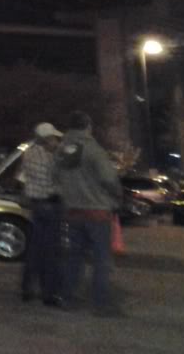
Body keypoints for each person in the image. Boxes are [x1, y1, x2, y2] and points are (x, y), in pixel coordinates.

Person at [53, 110, 123, 316]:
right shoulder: (93, 150)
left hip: (73, 211)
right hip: (97, 211)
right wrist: (117, 196)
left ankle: (68, 297)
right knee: (101, 259)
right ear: (87, 126)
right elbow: (109, 179)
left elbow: (54, 176)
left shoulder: (61, 151)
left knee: (74, 256)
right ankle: (101, 303)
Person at [19, 121, 63, 305]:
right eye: (54, 138)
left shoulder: (28, 154)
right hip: (50, 205)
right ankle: (49, 293)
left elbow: (21, 178)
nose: (56, 141)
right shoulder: (49, 157)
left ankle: (27, 288)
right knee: (51, 251)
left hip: (35, 206)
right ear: (46, 139)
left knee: (35, 249)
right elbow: (56, 180)